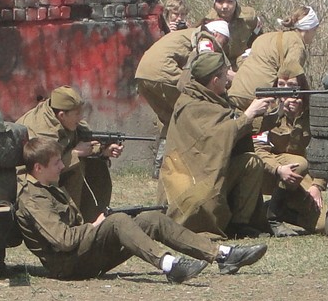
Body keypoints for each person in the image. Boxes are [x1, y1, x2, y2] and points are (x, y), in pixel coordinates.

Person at [15, 136, 268, 282]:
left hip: (79, 255)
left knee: (151, 219)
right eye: (56, 162)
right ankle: (169, 266)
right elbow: (63, 240)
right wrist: (95, 226)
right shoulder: (33, 198)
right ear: (38, 168)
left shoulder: (50, 185)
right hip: (68, 265)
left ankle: (222, 255)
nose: (62, 166)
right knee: (117, 222)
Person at [159, 51, 275, 238]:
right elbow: (217, 137)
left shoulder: (215, 99)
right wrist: (248, 115)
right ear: (214, 80)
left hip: (211, 171)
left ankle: (239, 224)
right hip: (193, 180)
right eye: (225, 75)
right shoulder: (192, 104)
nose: (228, 79)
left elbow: (238, 127)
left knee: (251, 163)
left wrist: (274, 112)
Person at [14, 86, 118, 222]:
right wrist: (75, 154)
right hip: (30, 179)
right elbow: (43, 169)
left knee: (96, 165)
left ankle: (96, 220)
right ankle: (71, 224)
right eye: (77, 114)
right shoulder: (44, 133)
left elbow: (82, 136)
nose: (81, 117)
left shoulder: (59, 114)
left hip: (50, 167)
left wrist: (103, 150)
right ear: (62, 115)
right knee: (76, 168)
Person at [252, 89, 324, 235]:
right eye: (282, 86)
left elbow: (325, 153)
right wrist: (278, 169)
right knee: (299, 163)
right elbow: (258, 149)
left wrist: (317, 185)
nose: (290, 96)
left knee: (322, 225)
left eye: (293, 87)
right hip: (271, 172)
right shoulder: (267, 112)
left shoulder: (315, 115)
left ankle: (274, 211)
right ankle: (273, 216)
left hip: (299, 177)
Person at [228, 5, 321, 108]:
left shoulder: (267, 37)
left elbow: (242, 60)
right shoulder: (297, 46)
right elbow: (291, 80)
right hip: (256, 97)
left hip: (234, 92)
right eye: (315, 30)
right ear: (308, 29)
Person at [204, 0, 262, 69]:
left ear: (236, 2)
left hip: (243, 60)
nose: (225, 6)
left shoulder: (249, 17)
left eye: (230, 2)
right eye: (220, 2)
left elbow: (258, 37)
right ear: (214, 4)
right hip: (220, 65)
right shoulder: (208, 23)